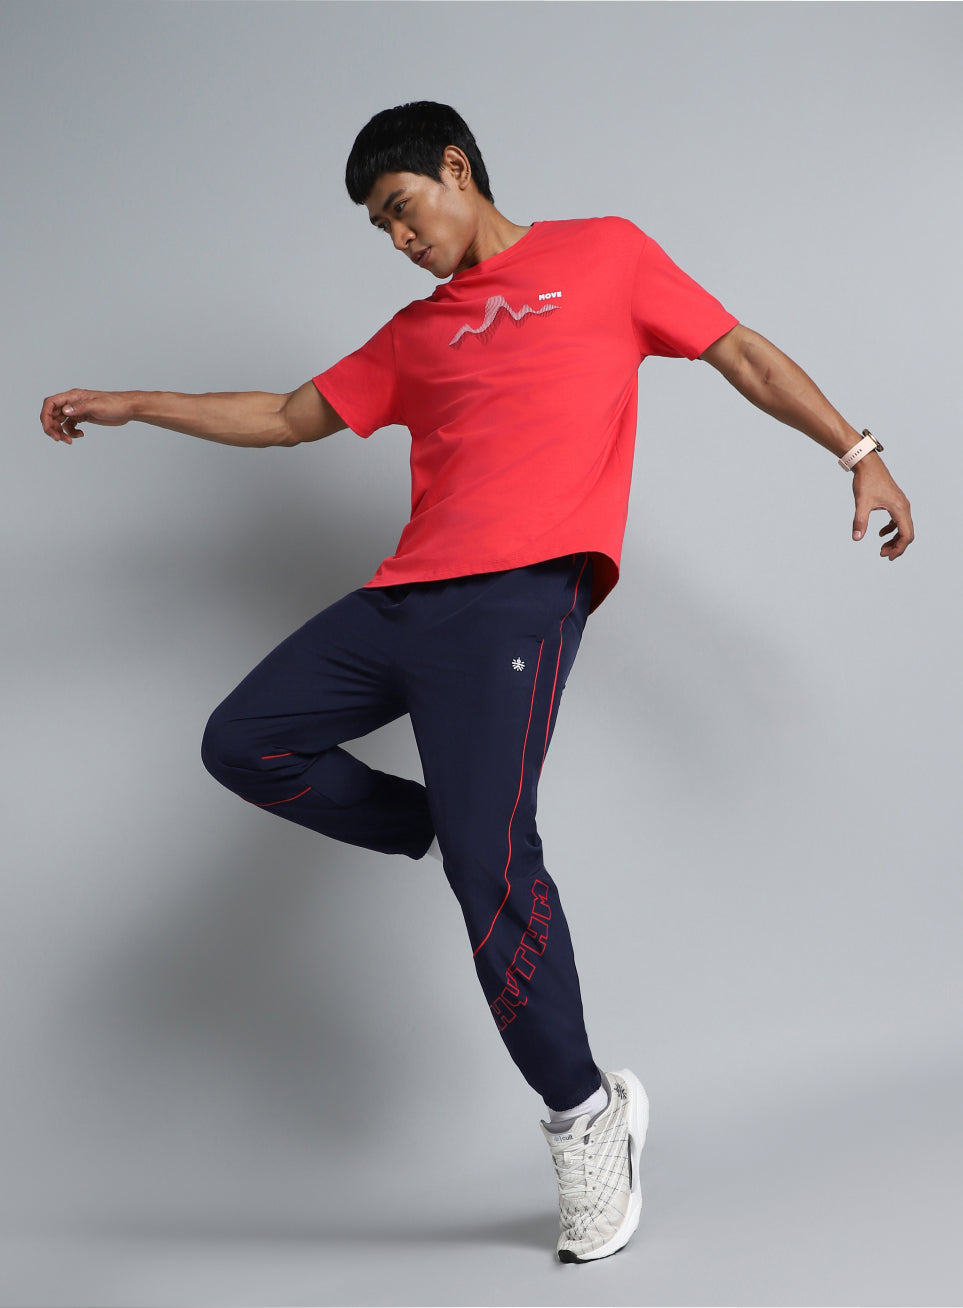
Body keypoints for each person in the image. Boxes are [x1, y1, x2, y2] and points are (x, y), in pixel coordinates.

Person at [39, 101, 914, 1264]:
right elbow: (289, 416)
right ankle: (449, 826)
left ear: (457, 168)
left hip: (518, 602)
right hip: (404, 601)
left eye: (402, 209)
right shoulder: (415, 333)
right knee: (243, 740)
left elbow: (740, 352)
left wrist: (860, 454)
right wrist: (136, 404)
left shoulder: (605, 255)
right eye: (380, 229)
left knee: (492, 869)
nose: (400, 239)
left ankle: (585, 1113)